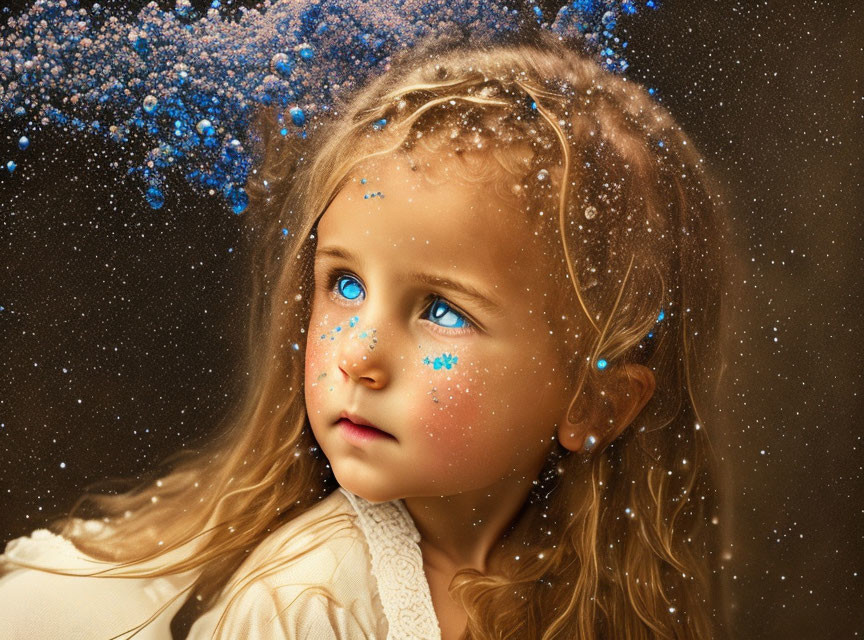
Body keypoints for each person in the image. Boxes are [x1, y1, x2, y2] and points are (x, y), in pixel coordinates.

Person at [0, 27, 733, 640]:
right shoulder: (305, 603)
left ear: (595, 404)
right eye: (345, 284)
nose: (359, 355)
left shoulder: (575, 584)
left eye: (442, 311)